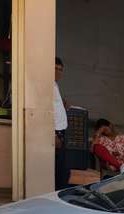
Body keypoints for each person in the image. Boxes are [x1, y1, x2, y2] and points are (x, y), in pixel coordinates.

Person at [54, 57, 70, 190]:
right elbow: (46, 111)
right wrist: (53, 135)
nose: (58, 72)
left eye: (61, 70)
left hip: (61, 131)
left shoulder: (55, 85)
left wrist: (63, 108)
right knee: (61, 171)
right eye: (55, 69)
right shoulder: (48, 85)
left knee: (63, 170)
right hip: (55, 133)